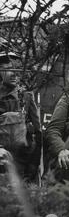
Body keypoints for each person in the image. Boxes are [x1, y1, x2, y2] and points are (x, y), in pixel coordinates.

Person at [0, 52, 41, 181]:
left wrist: (34, 165)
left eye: (15, 69)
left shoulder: (26, 96)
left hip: (23, 167)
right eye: (7, 70)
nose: (13, 73)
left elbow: (37, 133)